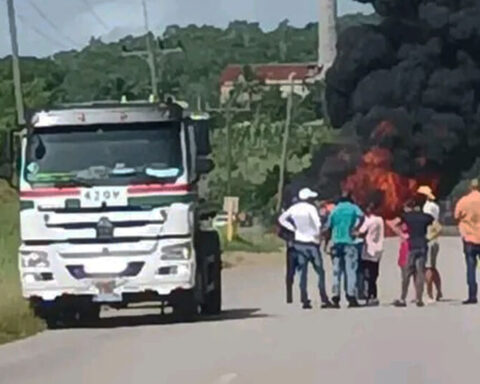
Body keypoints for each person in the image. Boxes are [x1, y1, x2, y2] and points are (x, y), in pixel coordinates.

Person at [278, 188, 332, 309]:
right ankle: (323, 298)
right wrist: (318, 236)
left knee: (302, 272)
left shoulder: (294, 208)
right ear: (309, 198)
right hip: (312, 243)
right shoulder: (311, 208)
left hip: (299, 243)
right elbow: (318, 224)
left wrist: (293, 228)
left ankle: (304, 299)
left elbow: (281, 219)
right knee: (320, 271)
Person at [388, 194, 440, 307]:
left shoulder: (407, 216)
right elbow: (438, 227)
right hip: (422, 244)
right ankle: (419, 298)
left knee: (407, 272)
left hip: (412, 246)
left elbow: (393, 224)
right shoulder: (426, 216)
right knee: (420, 272)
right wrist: (429, 237)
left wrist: (402, 234)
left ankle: (403, 298)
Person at [324, 191, 364, 308]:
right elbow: (362, 217)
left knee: (337, 271)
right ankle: (351, 297)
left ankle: (335, 297)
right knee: (350, 270)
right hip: (349, 242)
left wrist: (326, 244)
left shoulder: (335, 210)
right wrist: (355, 228)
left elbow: (328, 228)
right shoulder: (353, 208)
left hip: (336, 242)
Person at [454, 179, 480, 304]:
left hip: (469, 237)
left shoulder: (463, 201)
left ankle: (472, 295)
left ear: (470, 187)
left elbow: (456, 216)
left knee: (471, 268)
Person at [417, 185, 443, 303]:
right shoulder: (435, 206)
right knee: (432, 266)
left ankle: (429, 294)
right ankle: (439, 291)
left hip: (428, 237)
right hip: (434, 238)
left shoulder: (427, 208)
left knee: (427, 268)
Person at [357, 202, 385, 306]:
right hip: (378, 249)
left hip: (368, 250)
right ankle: (374, 296)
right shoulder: (380, 219)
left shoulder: (368, 221)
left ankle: (368, 295)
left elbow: (360, 232)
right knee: (374, 274)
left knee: (366, 275)